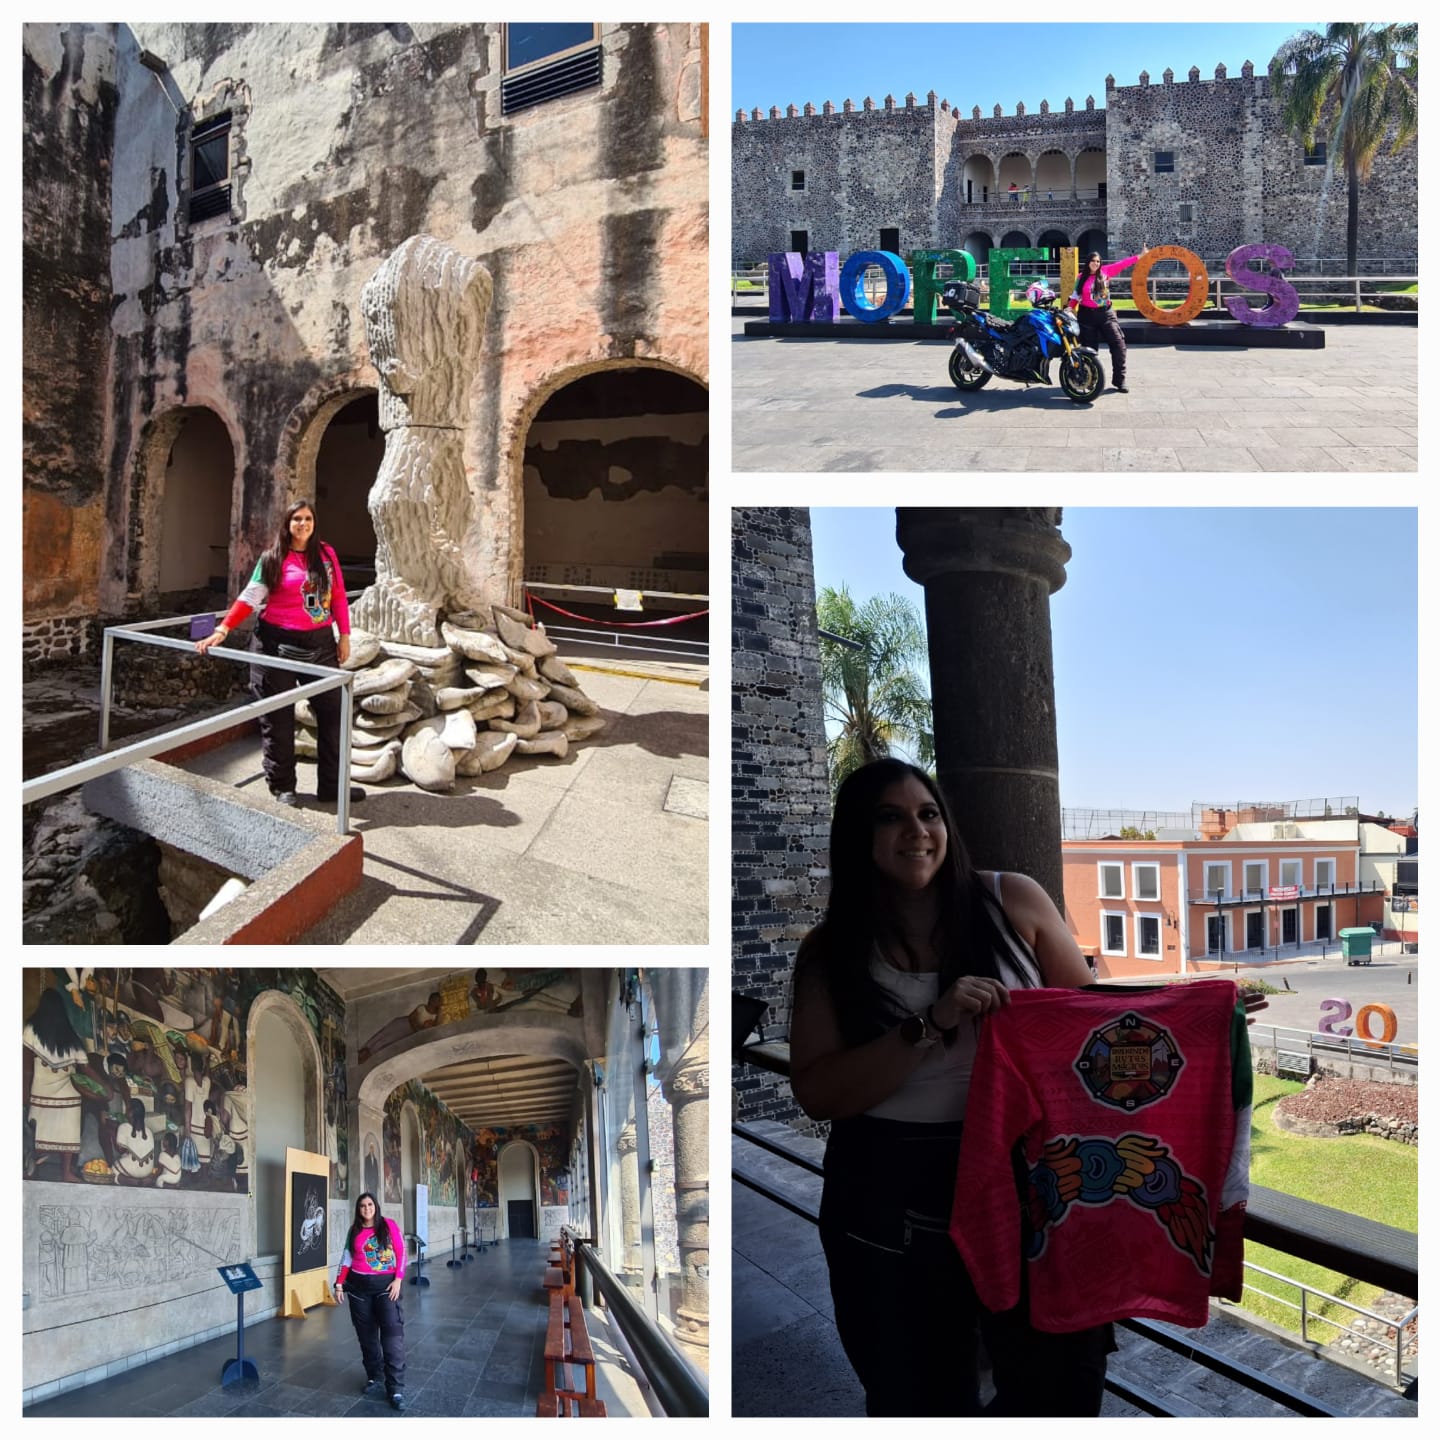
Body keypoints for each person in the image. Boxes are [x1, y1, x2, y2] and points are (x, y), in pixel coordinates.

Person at [789, 758, 1114, 1417]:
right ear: (858, 835)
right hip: (889, 1193)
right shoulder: (832, 951)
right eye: (890, 816)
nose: (917, 830)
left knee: (1059, 1385)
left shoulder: (1014, 900)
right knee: (915, 1396)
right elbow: (820, 1093)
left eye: (928, 813)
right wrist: (930, 1023)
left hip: (1030, 1180)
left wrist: (1192, 1021)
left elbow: (1091, 1034)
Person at [196, 499, 362, 807]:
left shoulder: (326, 554)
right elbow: (250, 597)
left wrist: (345, 636)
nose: (303, 524)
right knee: (278, 720)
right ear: (287, 524)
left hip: (320, 643)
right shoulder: (273, 558)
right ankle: (282, 786)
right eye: (296, 519)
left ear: (314, 523)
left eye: (308, 518)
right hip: (276, 644)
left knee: (335, 715)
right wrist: (224, 628)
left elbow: (337, 596)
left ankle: (333, 786)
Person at [334, 1191, 407, 1411]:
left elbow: (401, 1252)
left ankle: (395, 1387)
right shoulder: (354, 1230)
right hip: (358, 1290)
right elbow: (346, 1258)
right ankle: (374, 1376)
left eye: (370, 1204)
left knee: (392, 1336)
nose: (366, 1208)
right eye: (362, 1206)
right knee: (366, 1337)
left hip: (386, 1288)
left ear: (375, 1206)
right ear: (358, 1209)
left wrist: (398, 1280)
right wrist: (339, 1284)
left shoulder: (388, 1225)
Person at [1069, 247, 1147, 393]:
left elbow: (1123, 264)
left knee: (1119, 344)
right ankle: (1091, 380)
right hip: (1087, 317)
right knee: (1089, 351)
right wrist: (1069, 308)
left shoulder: (1106, 272)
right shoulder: (1081, 277)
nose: (1096, 263)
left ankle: (1119, 380)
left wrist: (1139, 256)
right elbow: (1075, 296)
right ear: (1088, 262)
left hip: (1105, 314)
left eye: (1098, 261)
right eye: (1093, 261)